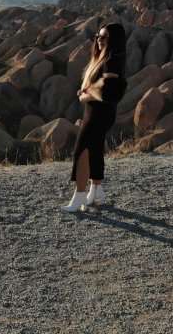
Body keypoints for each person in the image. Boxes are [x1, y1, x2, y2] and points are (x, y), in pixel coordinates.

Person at [62, 23, 127, 212]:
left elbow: (108, 89)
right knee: (95, 149)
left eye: (105, 37)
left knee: (81, 150)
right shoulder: (107, 58)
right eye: (98, 35)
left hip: (100, 113)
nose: (99, 40)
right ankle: (96, 189)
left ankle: (79, 196)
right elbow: (101, 86)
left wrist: (84, 95)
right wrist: (87, 90)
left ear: (114, 40)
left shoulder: (112, 60)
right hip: (97, 112)